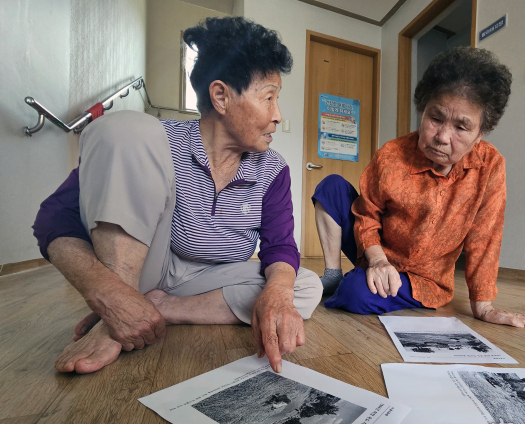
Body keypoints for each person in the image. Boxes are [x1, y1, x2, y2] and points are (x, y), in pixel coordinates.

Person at [32, 17, 322, 375]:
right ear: (221, 96)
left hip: (207, 283)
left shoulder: (271, 169)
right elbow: (53, 218)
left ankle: (159, 309)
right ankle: (123, 314)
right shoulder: (155, 141)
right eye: (269, 98)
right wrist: (110, 294)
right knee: (125, 127)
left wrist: (277, 294)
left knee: (304, 285)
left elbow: (280, 247)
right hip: (146, 269)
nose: (278, 115)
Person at [312, 47, 525, 328]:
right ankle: (333, 274)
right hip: (377, 251)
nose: (442, 137)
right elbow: (367, 213)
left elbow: (485, 237)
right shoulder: (391, 155)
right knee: (331, 186)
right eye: (435, 118)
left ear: (480, 133)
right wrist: (377, 260)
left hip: (423, 277)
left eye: (462, 127)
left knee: (355, 294)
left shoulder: (490, 166)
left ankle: (357, 281)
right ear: (422, 111)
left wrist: (483, 306)